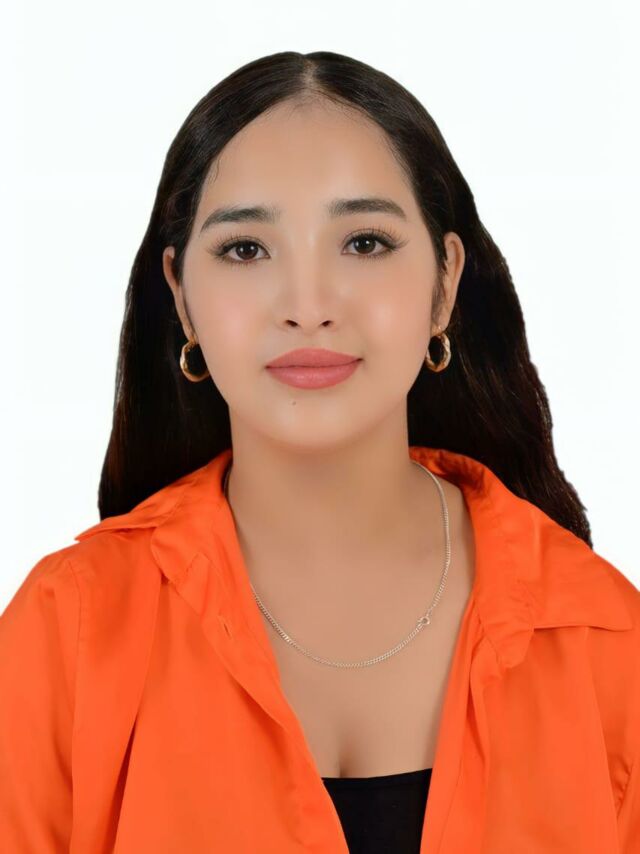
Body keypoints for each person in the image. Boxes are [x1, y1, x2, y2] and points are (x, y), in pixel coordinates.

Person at [1, 50, 638, 853]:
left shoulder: (605, 640)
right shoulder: (66, 633)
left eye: (364, 242)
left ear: (444, 283)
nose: (307, 307)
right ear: (181, 296)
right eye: (245, 249)